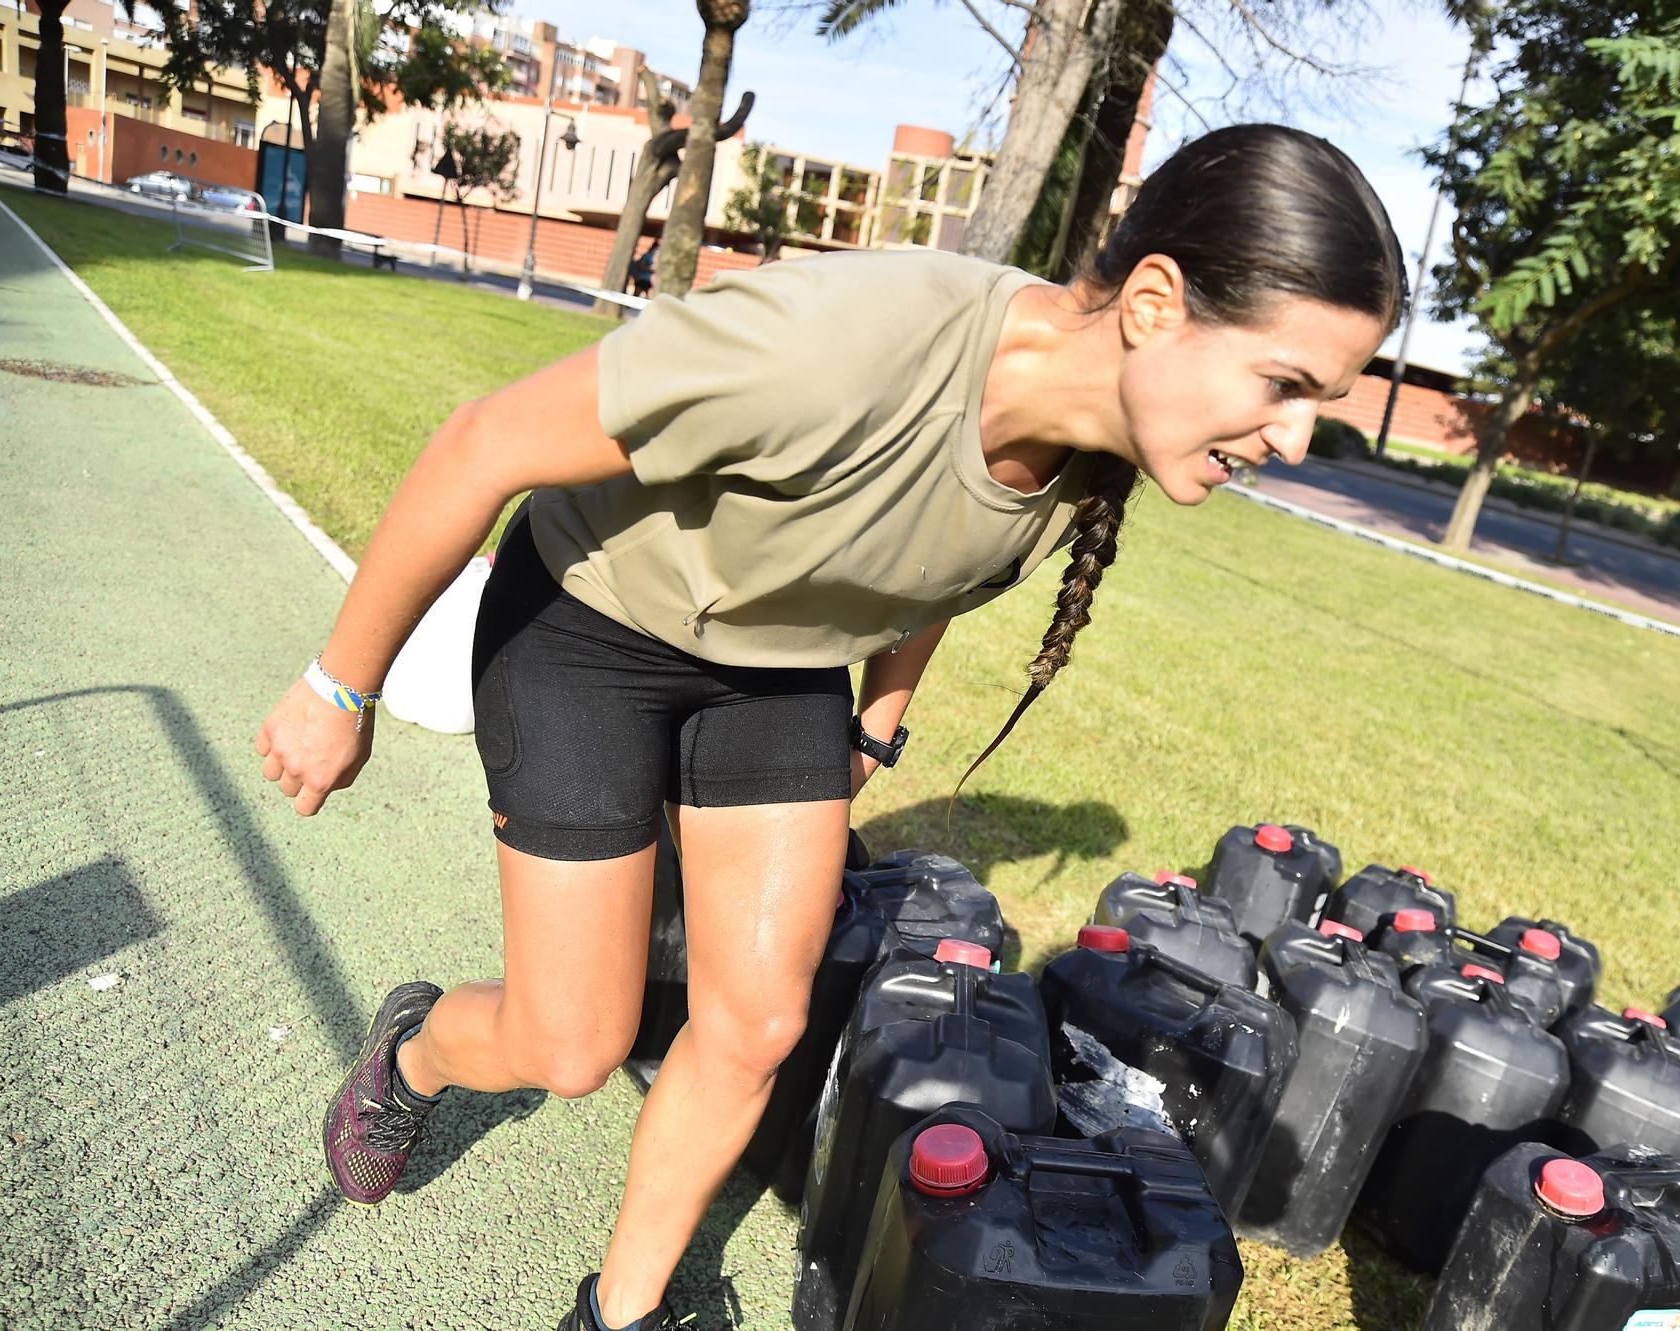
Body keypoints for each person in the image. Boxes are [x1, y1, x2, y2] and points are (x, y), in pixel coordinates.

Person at [255, 124, 1404, 1331]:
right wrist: (342, 687)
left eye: (1317, 404)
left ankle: (620, 1310)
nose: (1290, 439)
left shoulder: (1093, 444)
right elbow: (480, 442)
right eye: (1284, 386)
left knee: (754, 1022)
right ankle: (413, 1052)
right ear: (1155, 303)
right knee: (573, 1040)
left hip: (778, 669)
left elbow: (931, 566)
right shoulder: (837, 345)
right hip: (593, 622)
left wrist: (878, 722)